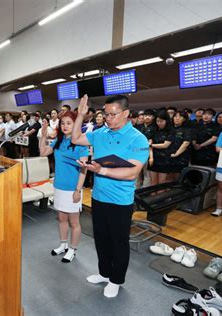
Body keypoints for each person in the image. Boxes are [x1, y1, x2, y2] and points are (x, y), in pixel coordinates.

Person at [72, 94, 149, 298]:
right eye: (106, 114)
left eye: (113, 114)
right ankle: (104, 273)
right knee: (101, 239)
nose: (108, 118)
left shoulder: (137, 138)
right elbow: (75, 138)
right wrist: (80, 116)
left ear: (126, 113)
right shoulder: (100, 132)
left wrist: (101, 171)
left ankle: (116, 280)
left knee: (118, 242)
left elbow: (132, 172)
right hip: (99, 197)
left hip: (121, 201)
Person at [40, 110, 88, 263]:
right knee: (61, 218)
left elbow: (84, 169)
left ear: (76, 124)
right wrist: (43, 134)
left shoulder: (81, 144)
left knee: (74, 222)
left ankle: (72, 249)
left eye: (69, 123)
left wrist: (78, 190)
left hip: (72, 189)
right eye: (63, 123)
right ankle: (63, 245)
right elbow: (43, 153)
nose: (65, 126)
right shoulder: (58, 141)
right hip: (58, 187)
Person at [148, 110, 173, 185]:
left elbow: (165, 145)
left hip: (165, 159)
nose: (159, 123)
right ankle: (152, 196)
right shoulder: (153, 130)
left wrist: (151, 145)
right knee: (153, 182)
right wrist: (151, 157)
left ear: (166, 120)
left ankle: (160, 196)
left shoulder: (171, 130)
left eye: (161, 121)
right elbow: (150, 143)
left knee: (161, 183)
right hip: (153, 158)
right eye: (157, 121)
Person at [168, 111, 192, 181]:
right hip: (168, 156)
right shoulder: (169, 128)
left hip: (181, 157)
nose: (177, 118)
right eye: (175, 116)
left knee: (178, 178)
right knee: (167, 178)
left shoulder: (187, 130)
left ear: (184, 119)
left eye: (180, 117)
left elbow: (186, 143)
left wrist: (176, 154)